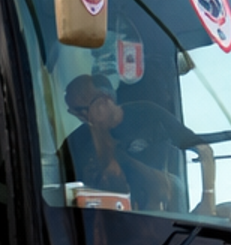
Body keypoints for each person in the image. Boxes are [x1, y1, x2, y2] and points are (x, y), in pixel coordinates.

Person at [60, 73, 175, 210]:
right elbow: (60, 192)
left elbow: (164, 186)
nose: (84, 115)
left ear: (107, 99)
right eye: (76, 111)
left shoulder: (149, 122)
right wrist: (86, 178)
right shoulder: (74, 144)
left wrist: (124, 161)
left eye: (85, 108)